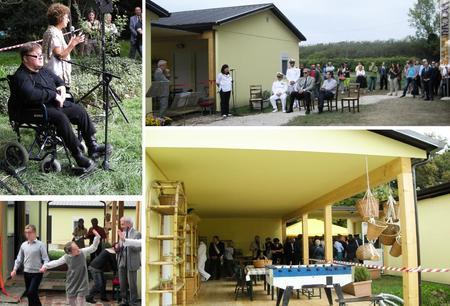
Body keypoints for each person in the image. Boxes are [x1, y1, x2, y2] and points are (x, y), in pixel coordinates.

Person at [11, 43, 109, 171]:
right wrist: (53, 95)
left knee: (78, 110)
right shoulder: (20, 76)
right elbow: (31, 95)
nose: (41, 58)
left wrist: (62, 91)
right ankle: (78, 155)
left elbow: (59, 81)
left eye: (41, 55)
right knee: (60, 118)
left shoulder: (43, 70)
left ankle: (92, 145)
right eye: (36, 56)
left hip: (50, 106)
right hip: (30, 110)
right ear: (25, 58)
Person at [40, 230, 100, 306]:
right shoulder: (66, 257)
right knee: (71, 303)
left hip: (82, 282)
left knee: (81, 302)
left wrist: (97, 237)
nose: (78, 249)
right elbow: (56, 262)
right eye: (75, 249)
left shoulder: (82, 252)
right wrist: (45, 266)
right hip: (71, 282)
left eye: (77, 246)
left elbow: (93, 248)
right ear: (70, 252)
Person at [42, 3, 85, 85]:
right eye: (66, 17)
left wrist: (72, 42)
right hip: (56, 77)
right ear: (59, 18)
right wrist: (73, 44)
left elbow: (61, 52)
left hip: (54, 75)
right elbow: (60, 56)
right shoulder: (53, 33)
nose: (68, 20)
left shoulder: (56, 31)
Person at [11, 225, 49, 306]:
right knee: (30, 294)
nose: (27, 234)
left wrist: (44, 267)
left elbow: (46, 259)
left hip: (37, 273)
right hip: (26, 272)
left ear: (34, 233)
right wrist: (14, 269)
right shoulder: (23, 245)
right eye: (26, 232)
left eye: (30, 232)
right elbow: (19, 258)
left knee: (31, 292)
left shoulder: (41, 245)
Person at [117, 217, 141, 306]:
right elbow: (120, 246)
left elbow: (139, 248)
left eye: (123, 224)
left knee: (132, 284)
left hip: (132, 261)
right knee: (122, 282)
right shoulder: (122, 233)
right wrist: (117, 247)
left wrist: (127, 242)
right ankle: (124, 300)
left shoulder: (137, 234)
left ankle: (133, 302)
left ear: (129, 224)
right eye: (121, 224)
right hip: (122, 261)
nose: (121, 226)